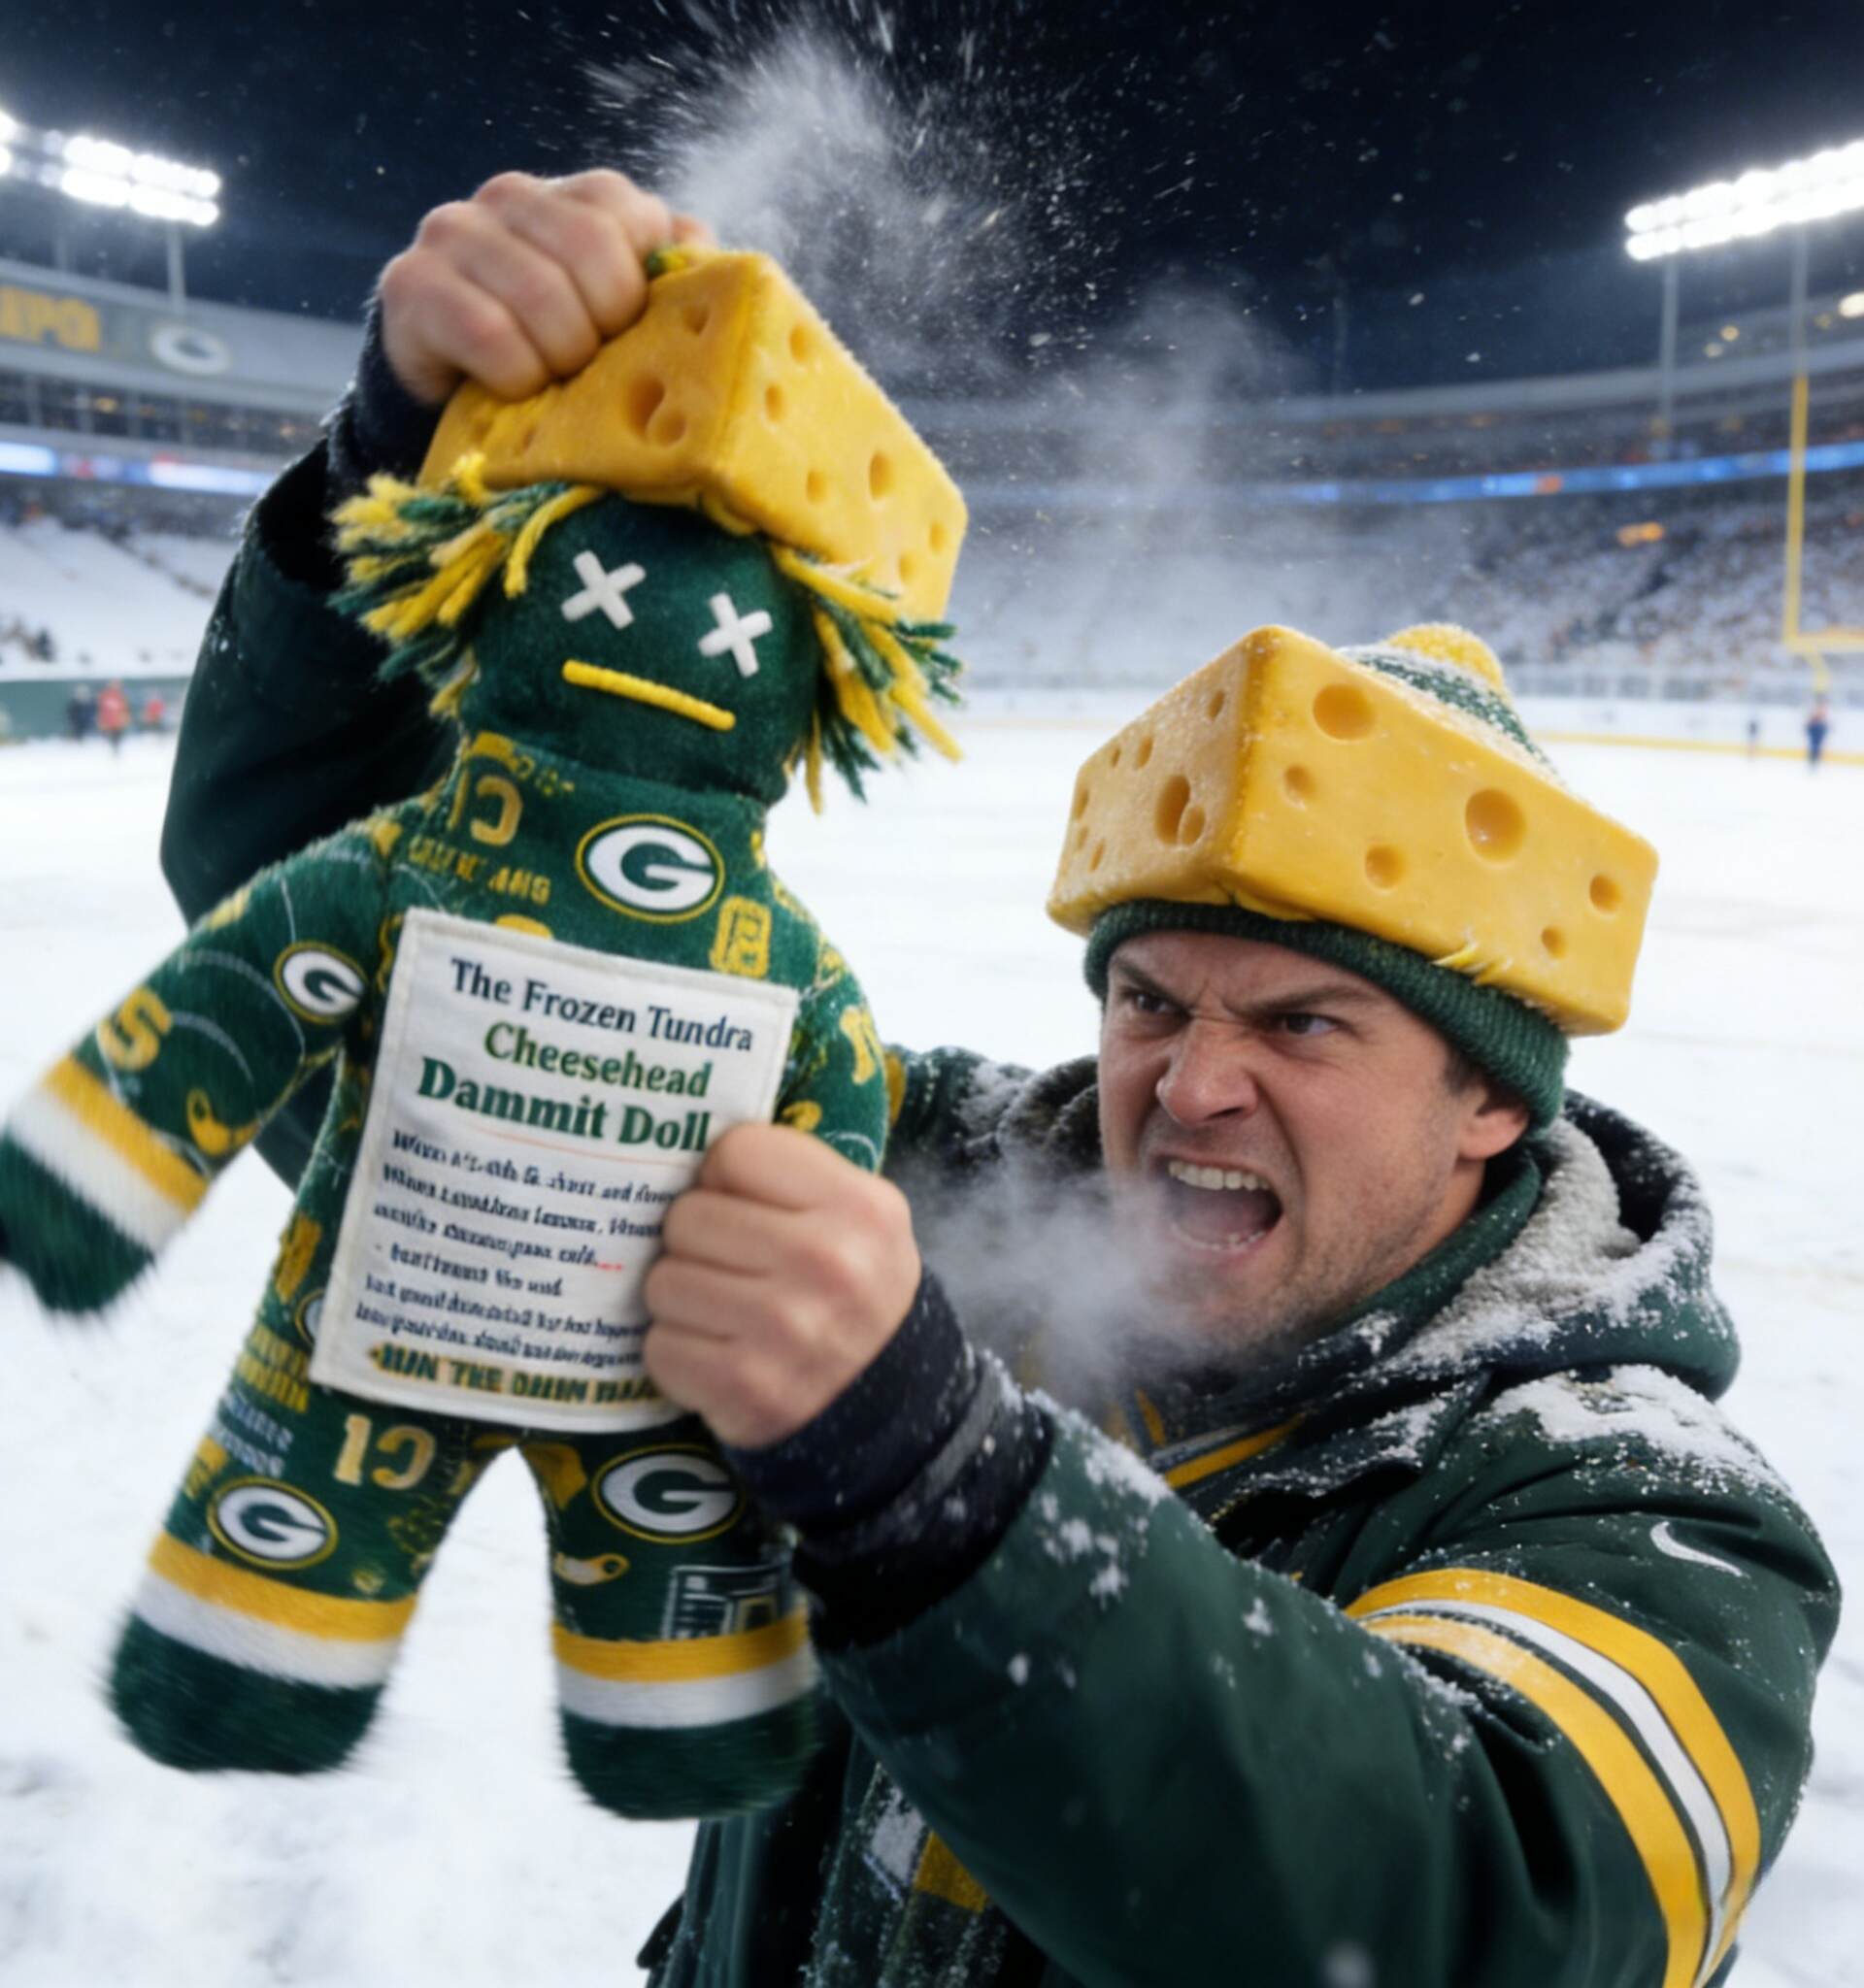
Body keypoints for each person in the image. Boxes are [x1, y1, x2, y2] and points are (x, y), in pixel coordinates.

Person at [157, 170, 1836, 1987]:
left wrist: (929, 1476)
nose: (1187, 1084)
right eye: (1146, 999)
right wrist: (403, 463)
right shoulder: (917, 1183)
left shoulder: (1636, 1507)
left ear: (1494, 1100)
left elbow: (1467, 1909)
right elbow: (419, 1008)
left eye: (1299, 1024)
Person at [96, 679, 132, 755]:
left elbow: (125, 708)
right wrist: (101, 720)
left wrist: (125, 717)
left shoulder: (121, 695)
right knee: (109, 736)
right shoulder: (105, 695)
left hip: (118, 720)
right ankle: (110, 750)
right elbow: (101, 708)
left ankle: (115, 750)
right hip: (108, 720)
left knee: (117, 736)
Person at [1805, 700, 1830, 771]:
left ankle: (1814, 762)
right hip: (1815, 730)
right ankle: (1813, 762)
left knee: (1816, 748)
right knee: (1814, 748)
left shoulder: (1822, 713)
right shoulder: (1814, 713)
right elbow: (1809, 726)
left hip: (1818, 730)